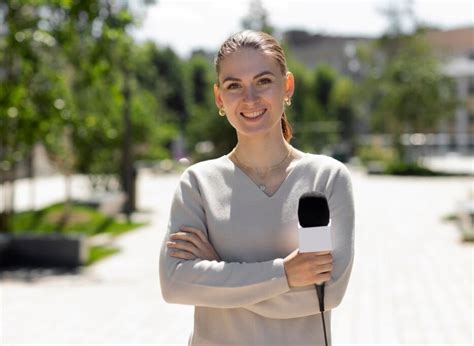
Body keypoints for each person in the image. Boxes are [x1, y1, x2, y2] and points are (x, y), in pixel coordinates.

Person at [159, 30, 355, 345]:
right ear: (219, 98)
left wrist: (218, 274)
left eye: (263, 81)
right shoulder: (198, 184)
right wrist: (288, 275)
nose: (249, 99)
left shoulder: (325, 180)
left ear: (287, 86)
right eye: (234, 86)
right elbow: (175, 285)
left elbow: (325, 294)